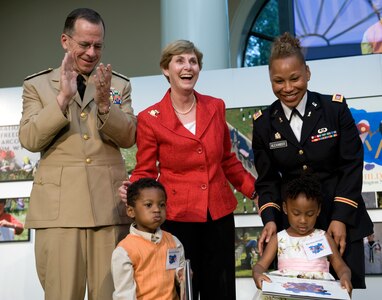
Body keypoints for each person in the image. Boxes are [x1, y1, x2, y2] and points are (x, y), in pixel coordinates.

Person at [119, 40, 256, 299]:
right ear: (165, 69)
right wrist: (133, 190)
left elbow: (227, 160)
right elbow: (146, 170)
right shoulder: (150, 119)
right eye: (180, 61)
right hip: (178, 221)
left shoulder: (215, 107)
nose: (187, 67)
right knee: (182, 290)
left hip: (219, 216)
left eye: (193, 61)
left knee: (222, 289)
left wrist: (255, 192)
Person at [18, 8, 136, 300]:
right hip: (59, 212)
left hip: (107, 210)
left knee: (111, 295)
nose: (92, 52)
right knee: (61, 294)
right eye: (84, 44)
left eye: (98, 45)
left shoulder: (118, 84)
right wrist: (62, 99)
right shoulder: (37, 85)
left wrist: (107, 106)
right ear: (65, 41)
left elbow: (130, 137)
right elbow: (30, 138)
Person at [251, 32, 373, 288]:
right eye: (278, 81)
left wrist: (339, 217)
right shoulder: (264, 124)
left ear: (307, 72)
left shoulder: (334, 109)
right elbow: (267, 181)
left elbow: (351, 165)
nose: (287, 88)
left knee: (344, 290)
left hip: (340, 215)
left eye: (294, 78)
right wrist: (271, 220)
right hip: (294, 226)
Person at [252, 175, 352, 298]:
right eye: (296, 213)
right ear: (285, 208)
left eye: (310, 214)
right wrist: (257, 274)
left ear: (318, 210)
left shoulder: (323, 237)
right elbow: (260, 265)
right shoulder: (278, 238)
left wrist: (345, 276)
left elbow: (341, 266)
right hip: (285, 295)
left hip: (319, 294)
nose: (303, 220)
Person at [112, 178, 185, 300]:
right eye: (148, 205)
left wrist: (181, 273)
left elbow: (176, 268)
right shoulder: (125, 251)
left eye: (162, 205)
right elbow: (125, 295)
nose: (157, 210)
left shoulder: (173, 242)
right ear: (131, 211)